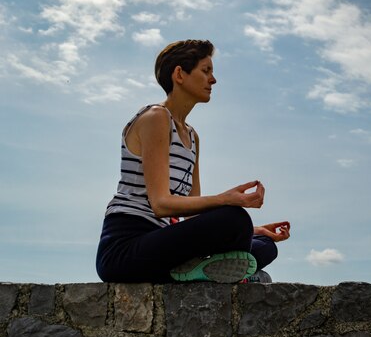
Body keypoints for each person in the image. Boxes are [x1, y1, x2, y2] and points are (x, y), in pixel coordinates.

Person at [96, 39, 290, 283]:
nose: (213, 79)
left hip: (164, 242)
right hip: (126, 249)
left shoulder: (192, 136)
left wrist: (255, 230)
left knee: (265, 245)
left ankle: (197, 271)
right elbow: (161, 204)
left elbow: (192, 215)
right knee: (235, 219)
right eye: (205, 71)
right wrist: (226, 200)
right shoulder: (155, 117)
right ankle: (219, 273)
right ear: (180, 74)